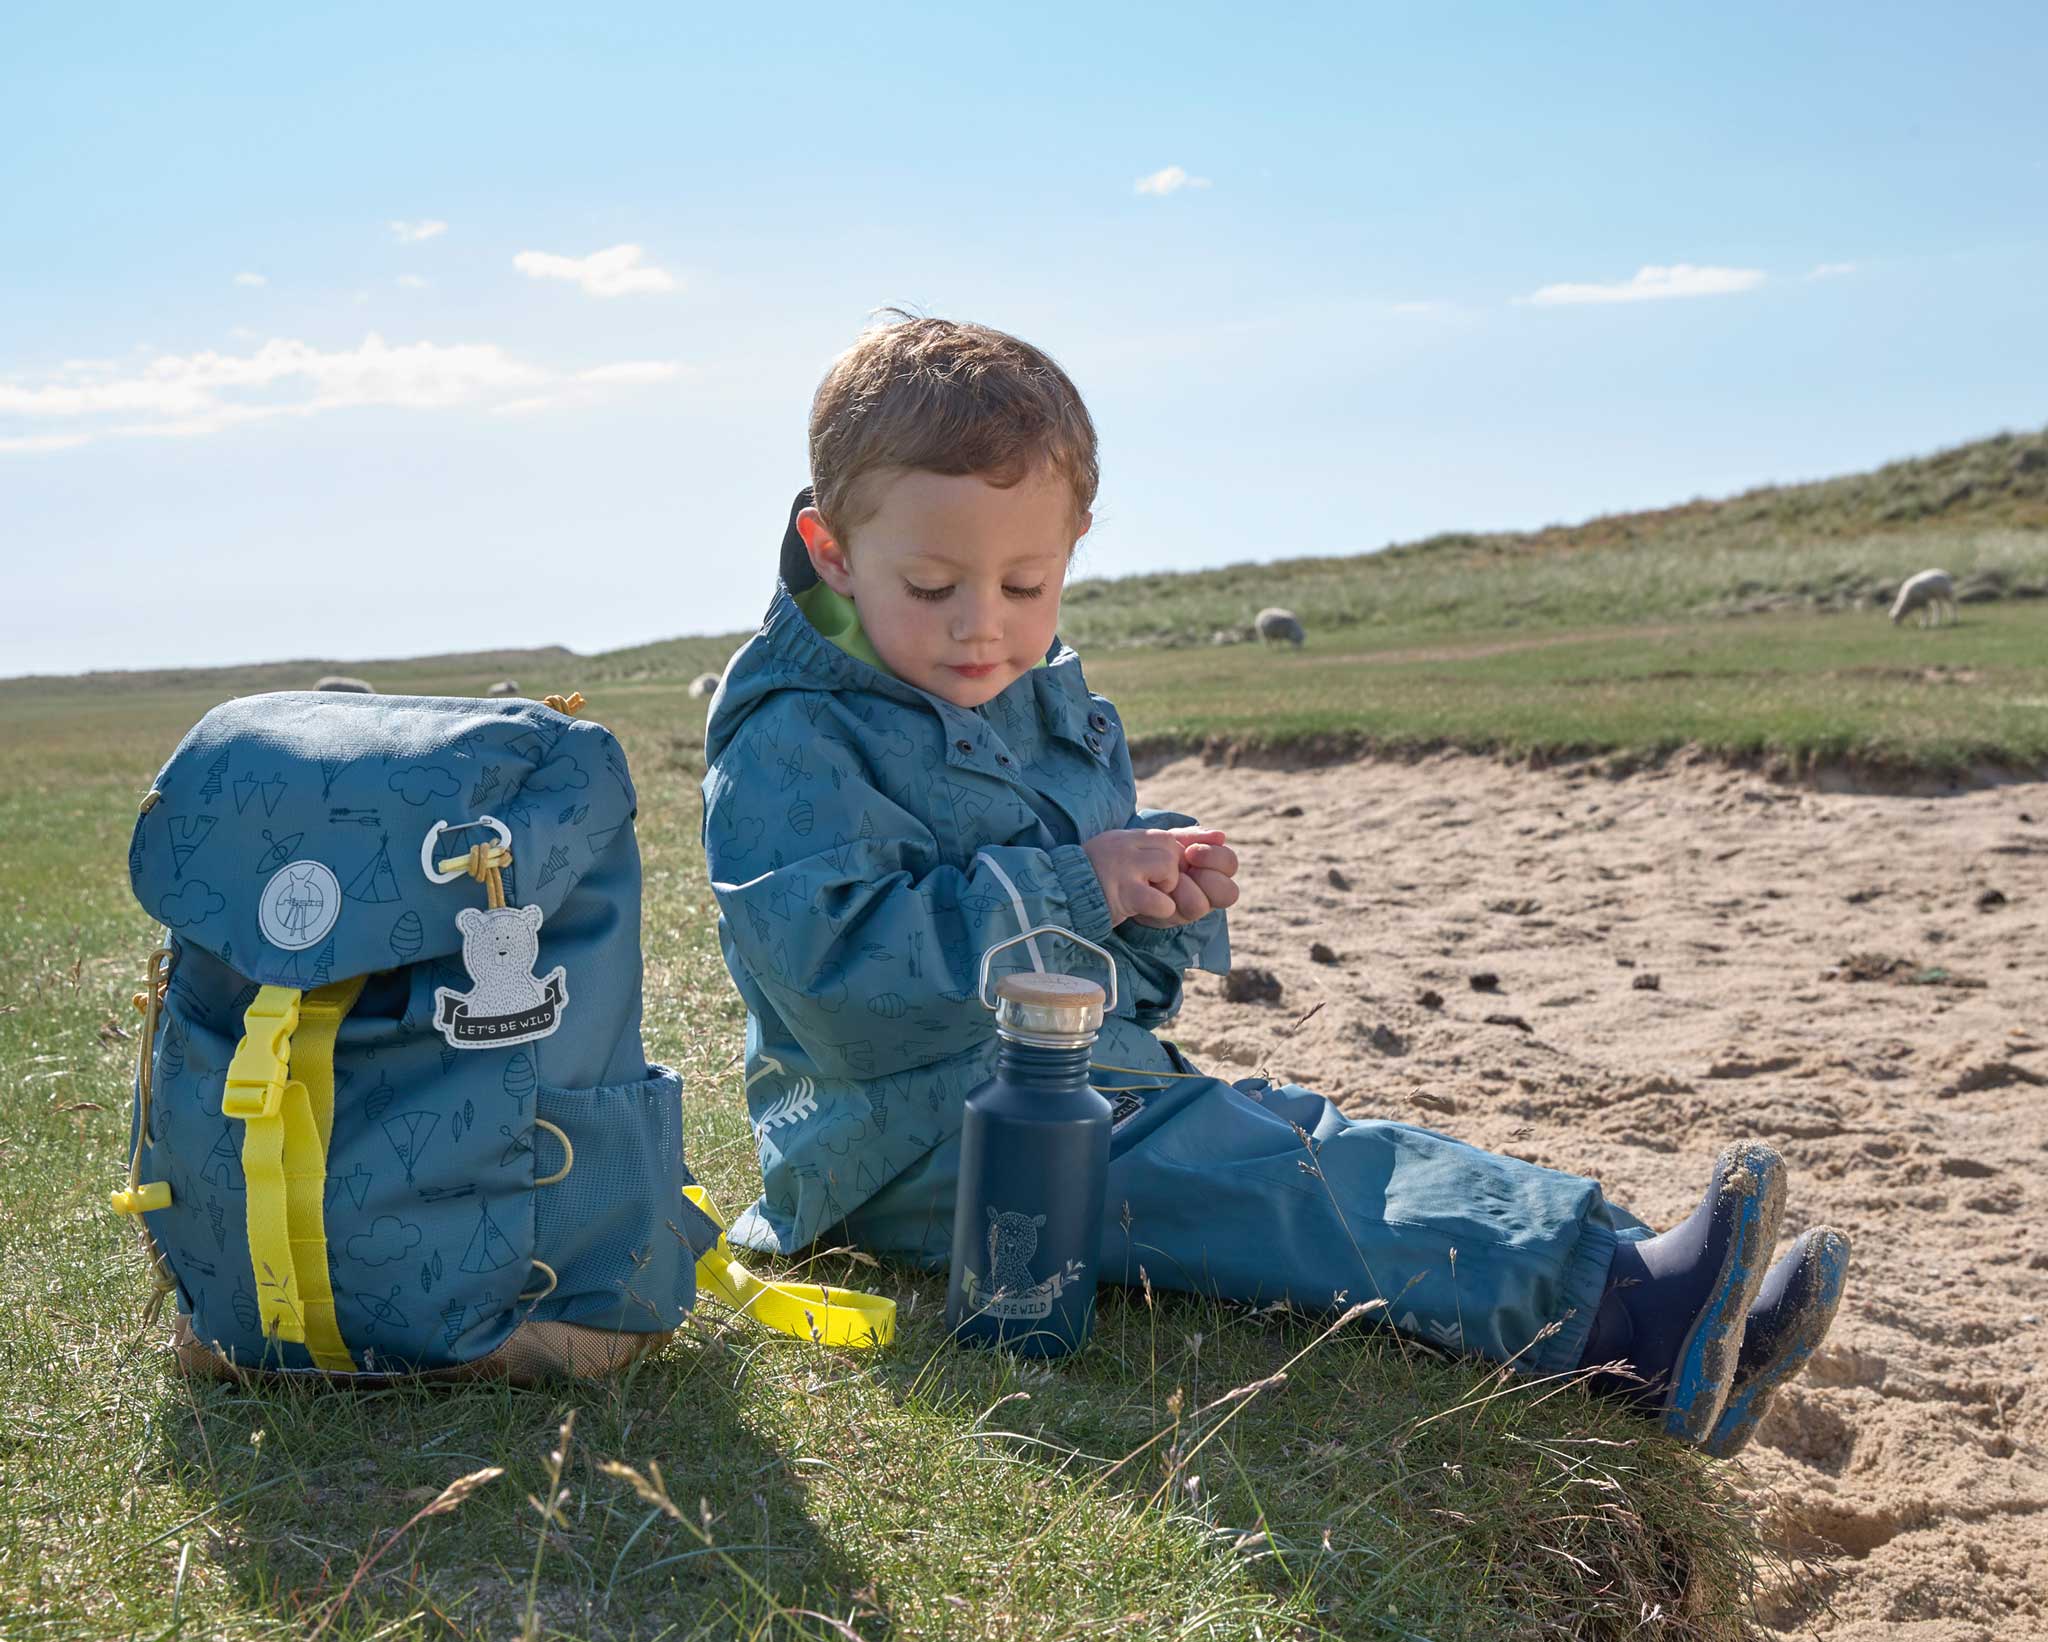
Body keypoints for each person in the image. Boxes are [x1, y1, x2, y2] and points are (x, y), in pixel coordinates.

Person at [700, 314, 1850, 1453]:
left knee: (1300, 1136)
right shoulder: (791, 742)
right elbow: (832, 985)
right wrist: (1075, 886)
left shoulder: (1030, 698)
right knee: (1278, 1183)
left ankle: (1653, 1280)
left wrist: (1155, 901)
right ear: (835, 549)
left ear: (1076, 543)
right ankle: (1631, 1330)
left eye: (1025, 583)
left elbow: (1108, 974)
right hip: (906, 1158)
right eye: (935, 583)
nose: (981, 626)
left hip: (1074, 1087)